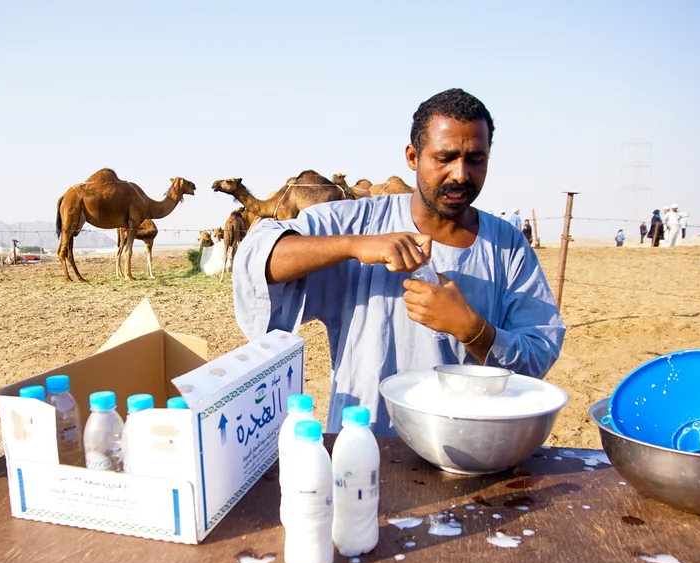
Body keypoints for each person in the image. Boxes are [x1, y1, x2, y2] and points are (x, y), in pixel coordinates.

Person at [233, 88, 565, 435]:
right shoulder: (357, 222)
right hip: (364, 445)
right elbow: (258, 257)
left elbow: (538, 355)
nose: (461, 174)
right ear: (412, 156)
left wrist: (471, 329)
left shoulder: (507, 246)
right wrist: (355, 246)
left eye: (476, 160)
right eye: (445, 157)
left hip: (470, 450)